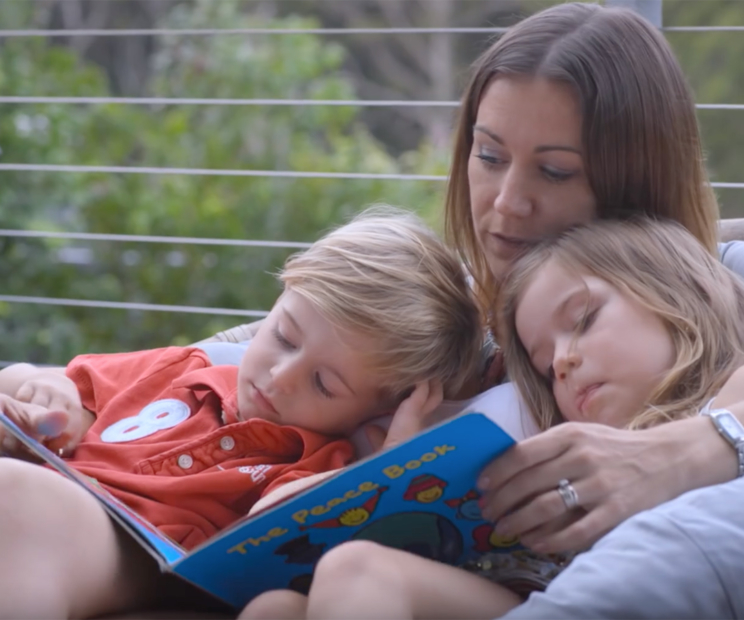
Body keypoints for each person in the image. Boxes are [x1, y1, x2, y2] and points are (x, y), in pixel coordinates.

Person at [239, 218, 744, 619]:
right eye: (546, 368)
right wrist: (391, 467)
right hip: (502, 587)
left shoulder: (728, 395)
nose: (563, 363)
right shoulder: (546, 434)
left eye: (584, 320)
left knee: (358, 572)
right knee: (272, 609)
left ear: (677, 290)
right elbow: (258, 525)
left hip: (559, 591)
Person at [0, 208, 483, 619]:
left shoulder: (313, 463)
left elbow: (277, 531)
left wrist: (391, 461)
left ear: (377, 409)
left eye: (324, 384)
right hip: (51, 498)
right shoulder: (180, 369)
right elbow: (60, 383)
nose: (281, 375)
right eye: (284, 336)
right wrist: (43, 391)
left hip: (130, 550)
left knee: (21, 494)